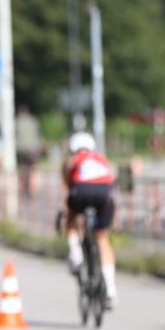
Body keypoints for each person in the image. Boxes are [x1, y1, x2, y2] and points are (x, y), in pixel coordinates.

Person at [61, 131, 118, 308]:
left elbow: (69, 185)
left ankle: (76, 255)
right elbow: (111, 182)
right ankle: (110, 289)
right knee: (102, 239)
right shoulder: (101, 159)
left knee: (70, 216)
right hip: (105, 195)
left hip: (82, 191)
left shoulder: (72, 161)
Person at [15, 105, 44, 200]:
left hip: (20, 149)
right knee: (33, 168)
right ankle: (33, 190)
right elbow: (38, 134)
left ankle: (23, 187)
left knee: (22, 167)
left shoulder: (16, 122)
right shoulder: (33, 121)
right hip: (32, 149)